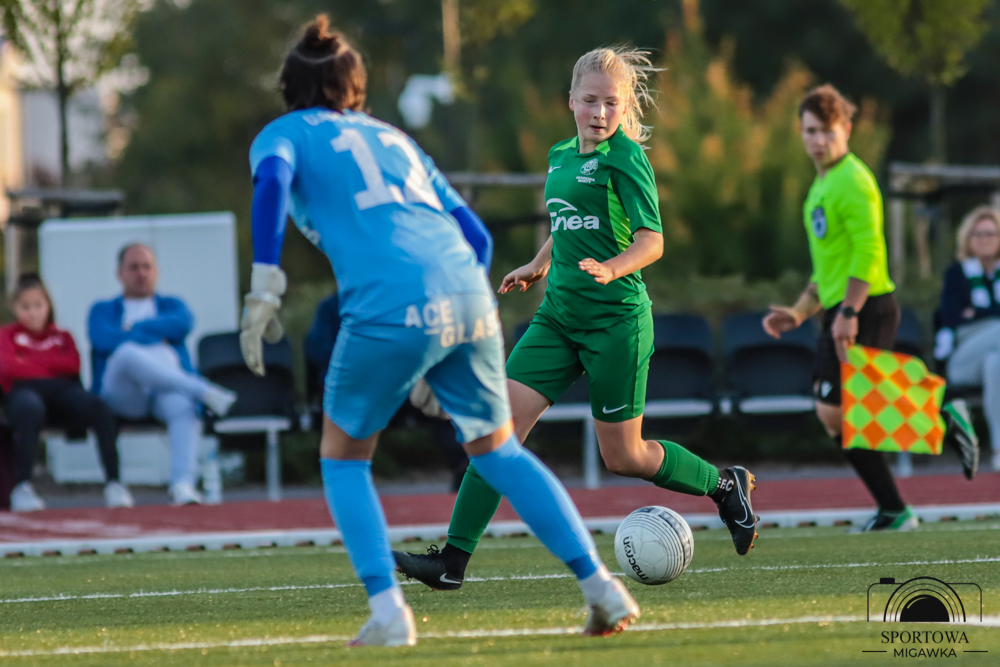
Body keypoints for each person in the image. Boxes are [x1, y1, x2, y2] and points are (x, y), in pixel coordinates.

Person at [242, 16, 639, 647]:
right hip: (468, 292)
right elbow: (476, 234)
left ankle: (388, 611)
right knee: (499, 451)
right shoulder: (393, 138)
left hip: (387, 303)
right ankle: (602, 588)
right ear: (355, 87)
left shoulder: (283, 132)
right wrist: (449, 331)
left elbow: (271, 181)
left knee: (343, 459)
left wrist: (265, 282)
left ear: (290, 89)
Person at [396, 46, 759, 592]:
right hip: (558, 319)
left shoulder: (626, 159)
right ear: (570, 100)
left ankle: (724, 485)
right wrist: (539, 263)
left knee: (625, 456)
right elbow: (568, 221)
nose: (600, 112)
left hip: (616, 324)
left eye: (611, 102)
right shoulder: (560, 155)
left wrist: (612, 268)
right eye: (590, 100)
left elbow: (652, 242)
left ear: (624, 106)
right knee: (495, 433)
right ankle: (452, 561)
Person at [762, 85, 979, 533]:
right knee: (841, 415)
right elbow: (828, 267)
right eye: (810, 131)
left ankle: (941, 411)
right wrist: (799, 312)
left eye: (827, 130)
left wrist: (849, 313)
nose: (818, 140)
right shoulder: (820, 185)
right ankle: (896, 506)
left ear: (847, 128)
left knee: (838, 411)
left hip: (867, 306)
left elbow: (868, 251)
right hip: (843, 308)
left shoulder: (854, 180)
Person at [88, 243, 237, 506]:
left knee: (182, 404)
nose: (141, 273)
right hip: (124, 395)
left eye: (147, 267)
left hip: (163, 394)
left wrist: (131, 328)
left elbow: (182, 324)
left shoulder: (172, 305)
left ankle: (182, 484)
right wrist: (156, 336)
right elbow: (103, 339)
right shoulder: (101, 310)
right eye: (134, 267)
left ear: (156, 271)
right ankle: (202, 389)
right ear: (119, 273)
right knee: (126, 353)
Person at [306, 292, 470, 491]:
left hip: (404, 386)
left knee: (441, 400)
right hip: (358, 388)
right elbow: (317, 348)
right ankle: (341, 470)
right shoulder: (332, 307)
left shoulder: (397, 302)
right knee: (345, 462)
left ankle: (463, 466)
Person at [1, 274, 133, 511]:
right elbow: (8, 367)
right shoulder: (6, 335)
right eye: (25, 307)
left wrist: (29, 362)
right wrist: (51, 365)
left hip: (61, 394)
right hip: (24, 396)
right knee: (30, 408)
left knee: (99, 407)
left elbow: (72, 365)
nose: (32, 313)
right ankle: (23, 486)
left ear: (48, 306)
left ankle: (114, 483)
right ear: (15, 309)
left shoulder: (63, 336)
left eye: (38, 305)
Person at [935, 206, 1000, 471]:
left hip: (991, 354)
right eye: (978, 234)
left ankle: (999, 449)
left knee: (996, 364)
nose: (984, 239)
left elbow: (970, 314)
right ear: (967, 238)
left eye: (991, 233)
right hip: (963, 359)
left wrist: (976, 313)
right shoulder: (956, 274)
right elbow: (951, 318)